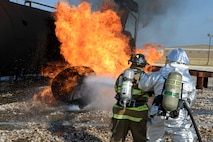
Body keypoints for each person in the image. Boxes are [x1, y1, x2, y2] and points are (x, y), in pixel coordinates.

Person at [138, 48, 197, 141]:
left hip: (158, 112)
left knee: (154, 138)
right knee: (183, 138)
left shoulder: (159, 74)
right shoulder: (189, 80)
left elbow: (143, 85)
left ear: (169, 60)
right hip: (178, 115)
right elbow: (191, 100)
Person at [110, 53, 152, 142]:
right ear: (144, 65)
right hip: (138, 113)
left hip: (120, 112)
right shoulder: (145, 77)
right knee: (140, 139)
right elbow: (150, 92)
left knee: (116, 139)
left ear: (131, 63)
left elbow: (117, 89)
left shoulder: (122, 76)